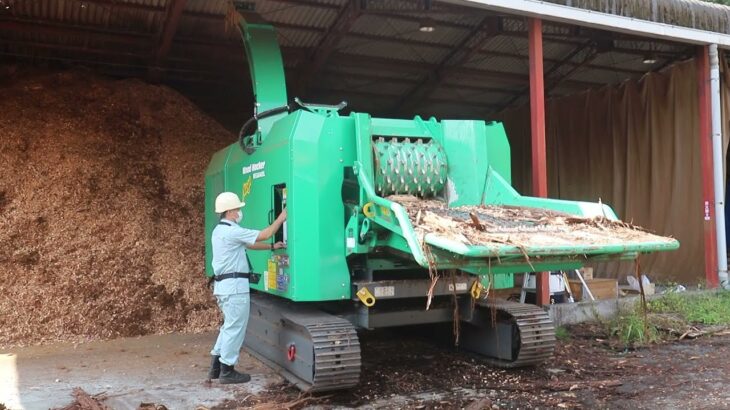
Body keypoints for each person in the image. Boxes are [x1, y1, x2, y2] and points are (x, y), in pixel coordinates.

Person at [208, 191, 286, 384]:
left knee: (228, 327)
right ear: (230, 211)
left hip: (224, 286)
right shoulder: (232, 231)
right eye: (238, 209)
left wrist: (271, 247)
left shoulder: (220, 231)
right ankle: (227, 370)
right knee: (235, 328)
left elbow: (249, 245)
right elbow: (266, 233)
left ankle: (215, 368)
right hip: (235, 288)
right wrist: (282, 217)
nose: (240, 211)